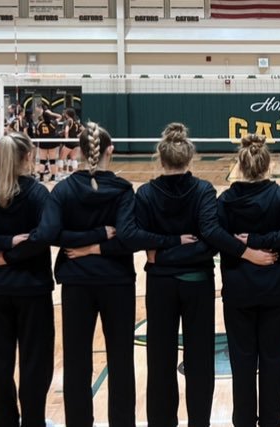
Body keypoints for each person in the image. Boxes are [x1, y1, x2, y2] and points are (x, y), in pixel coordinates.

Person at [34, 122, 191, 426]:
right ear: (110, 150)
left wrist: (85, 247)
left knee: (77, 360)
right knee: (121, 359)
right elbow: (128, 239)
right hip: (116, 281)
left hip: (77, 282)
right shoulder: (122, 190)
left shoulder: (64, 189)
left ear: (78, 151)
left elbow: (48, 233)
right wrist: (99, 237)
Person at [136, 123, 248, 427]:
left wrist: (161, 255)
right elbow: (209, 243)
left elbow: (141, 239)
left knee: (159, 361)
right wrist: (181, 246)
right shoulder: (202, 190)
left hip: (160, 282)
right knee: (199, 362)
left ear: (161, 159)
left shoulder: (146, 193)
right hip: (197, 283)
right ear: (190, 158)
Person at [0, 133, 54, 427]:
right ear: (28, 156)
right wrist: (11, 247)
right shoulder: (38, 193)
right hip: (32, 289)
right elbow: (46, 236)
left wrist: (2, 250)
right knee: (35, 363)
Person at [216, 134, 280, 427]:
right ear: (268, 164)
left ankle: (243, 422)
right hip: (275, 291)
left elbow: (218, 239)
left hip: (239, 291)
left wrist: (247, 248)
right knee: (274, 361)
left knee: (242, 363)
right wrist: (261, 246)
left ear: (240, 164)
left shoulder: (226, 201)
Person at [60, 109, 83, 178]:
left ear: (67, 114)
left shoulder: (68, 121)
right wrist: (78, 135)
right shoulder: (76, 122)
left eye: (65, 113)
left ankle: (60, 174)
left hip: (69, 142)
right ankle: (74, 174)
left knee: (61, 158)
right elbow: (84, 129)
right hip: (76, 142)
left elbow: (66, 131)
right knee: (73, 158)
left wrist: (66, 138)